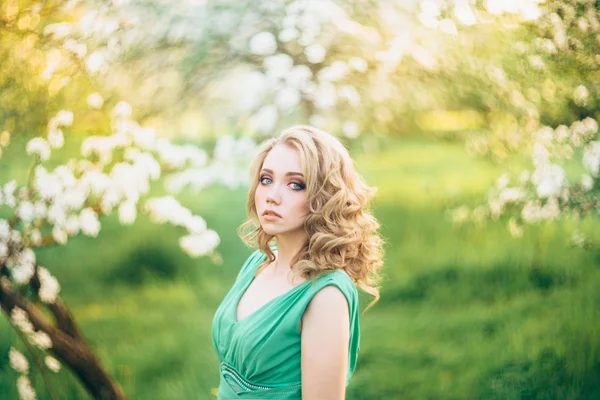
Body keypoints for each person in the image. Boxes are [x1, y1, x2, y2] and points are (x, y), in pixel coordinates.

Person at [211, 125, 384, 399]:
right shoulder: (258, 264)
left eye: (295, 185)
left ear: (325, 197)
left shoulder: (325, 294)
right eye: (266, 179)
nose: (272, 195)